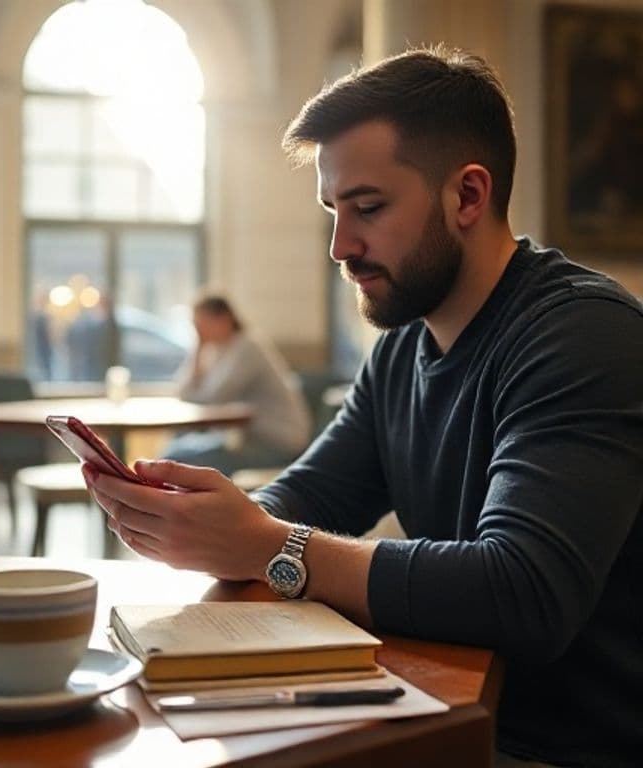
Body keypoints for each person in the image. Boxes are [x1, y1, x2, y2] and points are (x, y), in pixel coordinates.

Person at [82, 46, 643, 768]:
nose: (340, 246)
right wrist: (208, 520)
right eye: (333, 212)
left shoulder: (583, 335)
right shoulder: (403, 345)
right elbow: (313, 495)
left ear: (468, 196)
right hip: (446, 706)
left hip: (561, 747)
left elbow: (523, 592)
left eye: (368, 208)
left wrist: (268, 545)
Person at [162, 294, 311, 476]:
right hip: (245, 438)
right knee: (177, 446)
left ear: (224, 319)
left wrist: (200, 347)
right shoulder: (216, 350)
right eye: (195, 325)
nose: (198, 330)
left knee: (176, 458)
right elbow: (184, 393)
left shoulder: (247, 347)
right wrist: (199, 349)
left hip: (276, 442)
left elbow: (214, 398)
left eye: (201, 323)